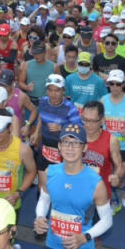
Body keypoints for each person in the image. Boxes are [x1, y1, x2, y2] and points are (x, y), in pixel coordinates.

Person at [33, 123, 112, 249]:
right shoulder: (50, 173)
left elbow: (107, 220)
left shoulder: (95, 183)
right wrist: (39, 217)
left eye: (76, 143)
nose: (70, 148)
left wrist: (84, 238)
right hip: (53, 247)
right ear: (59, 146)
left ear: (84, 148)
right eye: (66, 142)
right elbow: (44, 200)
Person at [32, 73, 83, 201]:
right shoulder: (43, 101)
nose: (53, 94)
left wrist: (62, 128)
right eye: (50, 90)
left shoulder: (70, 109)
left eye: (57, 90)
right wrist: (36, 132)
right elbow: (41, 117)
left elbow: (79, 130)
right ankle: (41, 215)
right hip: (45, 147)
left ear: (63, 91)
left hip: (63, 150)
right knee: (42, 186)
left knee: (61, 187)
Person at [101, 69, 125, 206]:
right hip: (107, 143)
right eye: (112, 84)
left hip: (124, 144)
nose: (115, 87)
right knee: (109, 176)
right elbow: (99, 121)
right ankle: (113, 201)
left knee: (118, 177)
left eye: (118, 84)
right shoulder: (103, 100)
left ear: (123, 84)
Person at [81, 100, 123, 212]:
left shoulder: (111, 140)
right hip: (77, 191)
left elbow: (119, 165)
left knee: (99, 226)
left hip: (100, 194)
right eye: (85, 120)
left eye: (93, 121)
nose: (88, 125)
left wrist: (116, 176)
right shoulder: (75, 137)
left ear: (102, 120)